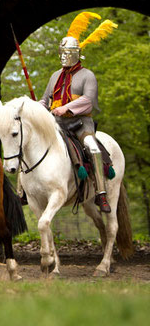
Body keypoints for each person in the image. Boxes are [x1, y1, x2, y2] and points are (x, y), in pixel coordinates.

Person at [39, 12, 118, 213]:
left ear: (76, 53)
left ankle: (101, 193)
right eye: (61, 52)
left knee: (92, 146)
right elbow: (46, 98)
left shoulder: (87, 75)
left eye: (67, 53)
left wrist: (66, 108)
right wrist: (37, 107)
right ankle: (24, 191)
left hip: (81, 123)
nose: (63, 56)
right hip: (56, 123)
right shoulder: (55, 75)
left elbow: (88, 101)